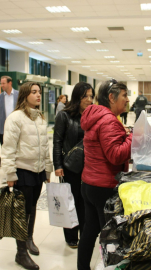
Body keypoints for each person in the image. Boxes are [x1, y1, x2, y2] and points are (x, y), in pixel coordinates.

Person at [78, 80, 132, 270]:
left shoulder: (96, 116)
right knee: (110, 238)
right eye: (124, 95)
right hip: (103, 187)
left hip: (89, 183)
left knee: (89, 231)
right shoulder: (108, 120)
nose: (127, 100)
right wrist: (134, 137)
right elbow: (115, 155)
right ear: (111, 97)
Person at [0, 82, 53, 270]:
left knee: (32, 206)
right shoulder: (15, 118)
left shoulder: (40, 118)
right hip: (22, 171)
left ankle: (28, 239)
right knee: (22, 212)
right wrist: (10, 173)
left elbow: (45, 147)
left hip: (37, 172)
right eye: (34, 92)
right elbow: (8, 149)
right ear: (24, 95)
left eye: (39, 92)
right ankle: (20, 253)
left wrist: (48, 169)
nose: (38, 95)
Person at [53, 82, 94, 249]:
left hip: (89, 165)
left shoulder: (92, 115)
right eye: (86, 96)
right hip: (69, 166)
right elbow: (57, 141)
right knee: (70, 201)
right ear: (78, 97)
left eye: (92, 96)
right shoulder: (64, 115)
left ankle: (85, 232)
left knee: (85, 201)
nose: (90, 100)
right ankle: (71, 235)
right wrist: (57, 165)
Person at [0, 76, 19, 145]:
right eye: (1, 83)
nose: (2, 85)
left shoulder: (18, 95)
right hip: (3, 130)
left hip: (16, 129)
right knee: (5, 150)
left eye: (3, 83)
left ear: (10, 83)